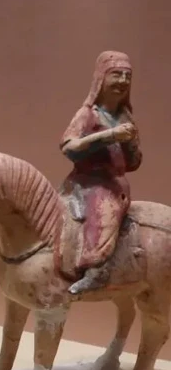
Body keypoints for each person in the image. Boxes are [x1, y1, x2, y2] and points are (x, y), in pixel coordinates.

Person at [59, 51, 142, 295]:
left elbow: (133, 163)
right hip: (81, 180)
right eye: (116, 74)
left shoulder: (125, 117)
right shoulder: (88, 115)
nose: (123, 81)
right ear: (101, 78)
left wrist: (129, 144)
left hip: (110, 185)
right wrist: (109, 135)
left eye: (127, 76)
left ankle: (96, 268)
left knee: (104, 209)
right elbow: (69, 147)